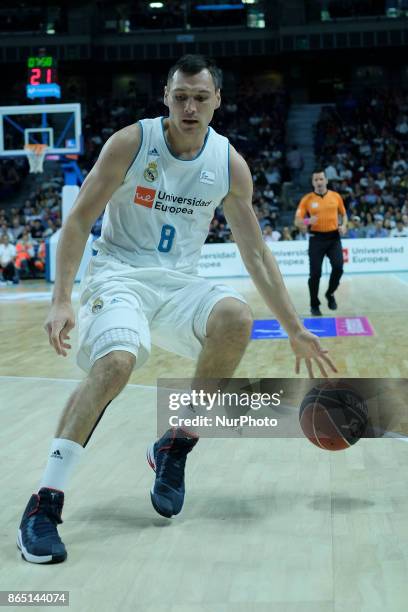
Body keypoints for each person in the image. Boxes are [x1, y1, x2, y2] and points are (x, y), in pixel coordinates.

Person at [17, 55, 337, 565]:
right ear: (165, 96)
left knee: (236, 317)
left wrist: (295, 327)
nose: (190, 107)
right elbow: (77, 221)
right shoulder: (130, 143)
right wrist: (59, 299)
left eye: (201, 98)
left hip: (179, 284)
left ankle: (176, 442)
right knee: (117, 363)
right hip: (118, 274)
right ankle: (44, 503)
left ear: (217, 102)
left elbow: (255, 252)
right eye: (181, 96)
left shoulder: (228, 163)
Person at [294, 169, 348, 316]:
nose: (319, 182)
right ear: (312, 182)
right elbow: (297, 221)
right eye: (316, 180)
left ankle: (330, 293)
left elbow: (344, 215)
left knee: (338, 268)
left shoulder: (336, 197)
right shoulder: (307, 199)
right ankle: (314, 304)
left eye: (321, 179)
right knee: (315, 274)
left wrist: (343, 225)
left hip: (334, 238)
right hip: (316, 239)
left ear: (326, 180)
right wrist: (306, 221)